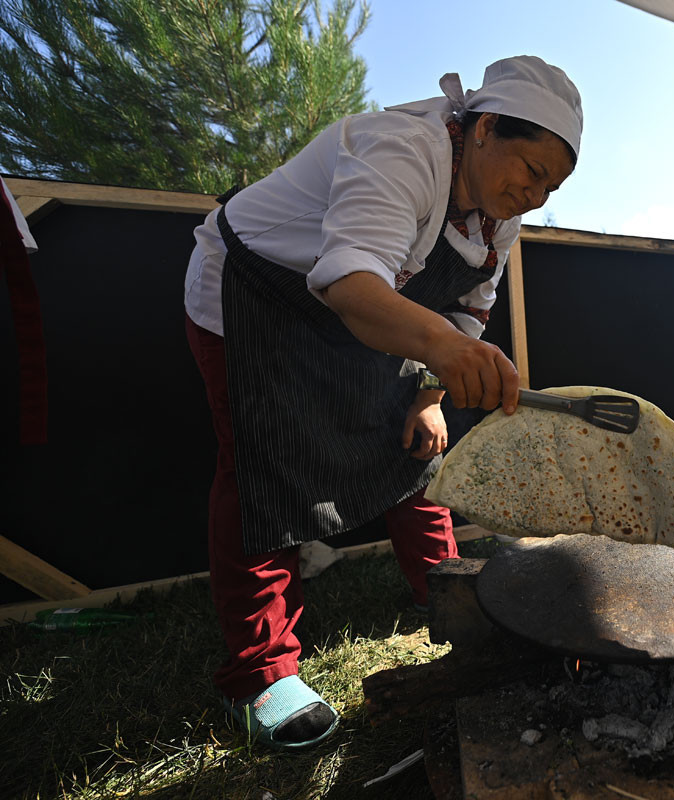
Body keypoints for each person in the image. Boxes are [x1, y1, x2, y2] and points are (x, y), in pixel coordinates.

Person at [184, 55, 582, 750]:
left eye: (552, 185)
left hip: (362, 312)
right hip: (252, 297)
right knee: (260, 471)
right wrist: (447, 356)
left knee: (417, 456)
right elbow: (347, 280)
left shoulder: (498, 215)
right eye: (534, 172)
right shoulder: (403, 150)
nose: (537, 196)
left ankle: (451, 597)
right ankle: (261, 677)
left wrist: (429, 395)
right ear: (485, 128)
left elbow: (467, 308)